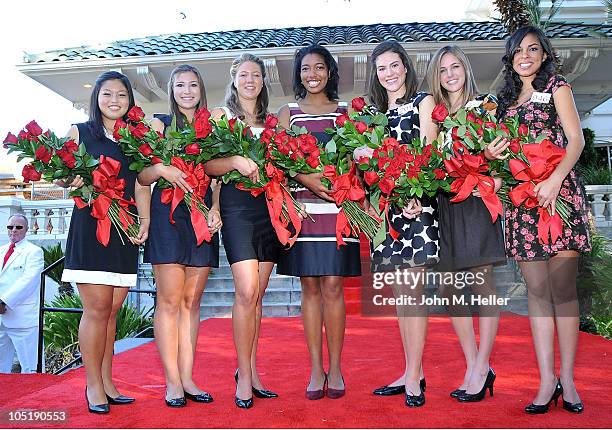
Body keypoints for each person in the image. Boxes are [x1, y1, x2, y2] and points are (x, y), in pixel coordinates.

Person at [497, 25, 591, 414]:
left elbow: (577, 140)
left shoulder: (557, 87)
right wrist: (494, 154)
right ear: (510, 56)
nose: (526, 55)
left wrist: (553, 182)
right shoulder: (501, 103)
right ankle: (546, 380)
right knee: (537, 293)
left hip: (559, 197)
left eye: (533, 49)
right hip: (523, 204)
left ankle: (568, 379)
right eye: (519, 50)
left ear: (543, 54)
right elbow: (502, 158)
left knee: (563, 291)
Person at [59, 71, 150, 414]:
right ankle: (92, 385)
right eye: (108, 94)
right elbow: (65, 177)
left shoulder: (135, 140)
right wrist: (72, 176)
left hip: (124, 230)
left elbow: (141, 184)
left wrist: (145, 222)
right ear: (97, 97)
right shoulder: (79, 132)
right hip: (91, 227)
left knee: (112, 311)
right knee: (96, 310)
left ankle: (109, 381)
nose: (114, 100)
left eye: (121, 95)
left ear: (129, 100)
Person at [275, 44, 361, 401]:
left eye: (320, 68)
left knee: (334, 287)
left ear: (330, 72)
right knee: (309, 287)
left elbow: (357, 161)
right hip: (304, 212)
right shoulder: (287, 113)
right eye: (306, 68)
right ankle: (315, 367)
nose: (313, 74)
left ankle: (336, 366)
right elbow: (279, 161)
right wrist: (308, 180)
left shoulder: (346, 113)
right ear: (298, 74)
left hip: (340, 211)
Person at [426, 45, 508, 402]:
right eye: (442, 70)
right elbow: (429, 162)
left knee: (482, 284)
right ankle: (476, 364)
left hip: (474, 203)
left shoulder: (486, 106)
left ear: (465, 69)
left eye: (455, 67)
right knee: (449, 288)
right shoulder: (437, 116)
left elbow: (504, 159)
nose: (449, 75)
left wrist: (491, 172)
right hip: (444, 206)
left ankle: (481, 363)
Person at [138, 64, 222, 408]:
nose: (187, 91)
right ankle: (172, 381)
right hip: (167, 216)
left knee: (192, 302)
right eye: (180, 86)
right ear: (171, 90)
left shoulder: (213, 128)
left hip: (202, 216)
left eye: (192, 85)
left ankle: (188, 377)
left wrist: (216, 208)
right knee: (170, 302)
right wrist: (161, 169)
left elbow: (218, 176)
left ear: (201, 89)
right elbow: (141, 175)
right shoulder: (158, 124)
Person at [204, 53, 282, 409]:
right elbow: (208, 165)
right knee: (246, 291)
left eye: (256, 75)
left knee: (259, 294)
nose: (250, 80)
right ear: (234, 79)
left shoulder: (273, 122)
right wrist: (235, 161)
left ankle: (250, 369)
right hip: (238, 209)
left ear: (263, 81)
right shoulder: (222, 118)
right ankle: (244, 375)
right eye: (244, 74)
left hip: (270, 208)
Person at [367, 40, 438, 408]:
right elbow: (368, 165)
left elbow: (428, 151)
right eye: (382, 68)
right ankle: (413, 369)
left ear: (405, 67)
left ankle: (413, 375)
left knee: (415, 294)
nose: (389, 73)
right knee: (400, 297)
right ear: (376, 74)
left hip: (415, 204)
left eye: (394, 65)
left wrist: (413, 193)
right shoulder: (374, 114)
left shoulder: (422, 102)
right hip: (385, 211)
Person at [0, 214, 44, 374]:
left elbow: (28, 281)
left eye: (18, 227)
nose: (13, 230)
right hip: (1, 320)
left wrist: (3, 301)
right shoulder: (1, 250)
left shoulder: (34, 252)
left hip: (22, 320)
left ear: (26, 230)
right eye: (10, 227)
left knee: (29, 369)